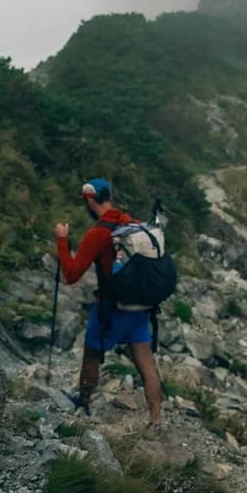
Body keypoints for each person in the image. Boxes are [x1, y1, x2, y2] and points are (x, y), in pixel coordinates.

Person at [54, 178, 162, 428]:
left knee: (92, 354)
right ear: (109, 197)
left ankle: (83, 403)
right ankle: (156, 420)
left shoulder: (99, 233)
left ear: (90, 200)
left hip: (111, 309)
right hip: (140, 308)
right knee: (146, 362)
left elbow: (71, 275)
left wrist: (62, 240)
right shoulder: (133, 225)